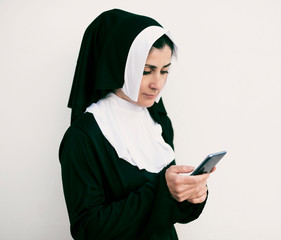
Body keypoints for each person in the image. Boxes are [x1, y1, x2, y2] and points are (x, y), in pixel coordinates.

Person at [59, 9, 213, 240]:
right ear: (121, 65)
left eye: (164, 71)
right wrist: (163, 190)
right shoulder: (83, 136)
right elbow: (87, 230)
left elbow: (167, 214)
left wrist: (191, 195)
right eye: (146, 71)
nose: (157, 84)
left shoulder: (158, 121)